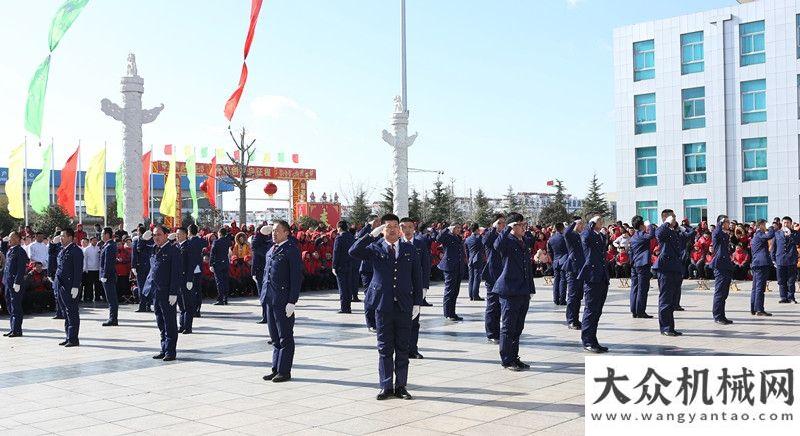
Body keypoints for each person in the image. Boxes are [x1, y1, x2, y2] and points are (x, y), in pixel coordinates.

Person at [349, 214, 422, 399]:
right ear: (382, 230)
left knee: (403, 348)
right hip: (383, 305)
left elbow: (417, 277)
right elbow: (353, 251)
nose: (392, 229)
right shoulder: (375, 247)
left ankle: (401, 386)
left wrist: (417, 303)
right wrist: (370, 235)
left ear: (399, 229)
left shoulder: (409, 249)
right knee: (384, 348)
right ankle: (386, 385)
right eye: (387, 226)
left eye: (395, 226)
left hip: (404, 305)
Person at [260, 220, 303, 383]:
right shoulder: (271, 249)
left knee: (285, 337)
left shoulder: (291, 250)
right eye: (273, 231)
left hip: (284, 300)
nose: (274, 233)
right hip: (270, 298)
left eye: (277, 230)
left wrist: (292, 301)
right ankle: (276, 368)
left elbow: (296, 277)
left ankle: (285, 371)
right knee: (275, 337)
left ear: (286, 233)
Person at [492, 213, 535, 371]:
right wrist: (507, 228)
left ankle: (514, 357)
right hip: (509, 290)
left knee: (518, 327)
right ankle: (507, 359)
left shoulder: (522, 240)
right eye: (521, 224)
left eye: (525, 224)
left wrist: (531, 288)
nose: (524, 227)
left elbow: (527, 267)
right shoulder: (507, 241)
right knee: (508, 327)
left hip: (523, 290)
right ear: (513, 226)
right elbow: (497, 246)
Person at [142, 225, 181, 361]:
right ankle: (164, 348)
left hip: (167, 292)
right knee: (160, 321)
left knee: (169, 322)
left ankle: (171, 351)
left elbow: (176, 273)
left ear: (166, 235)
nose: (156, 237)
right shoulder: (154, 249)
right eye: (154, 235)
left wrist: (173, 292)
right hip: (156, 292)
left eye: (159, 234)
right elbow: (140, 249)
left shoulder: (173, 250)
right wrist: (142, 239)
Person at [577, 215, 610, 353]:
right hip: (591, 277)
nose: (601, 223)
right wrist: (590, 225)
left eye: (602, 221)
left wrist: (602, 235)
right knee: (590, 310)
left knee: (597, 311)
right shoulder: (587, 234)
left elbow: (602, 249)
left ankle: (593, 339)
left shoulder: (598, 236)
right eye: (598, 221)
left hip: (601, 277)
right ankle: (587, 340)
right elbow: (584, 236)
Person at [653, 210, 684, 336]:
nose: (675, 218)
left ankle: (670, 327)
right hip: (665, 269)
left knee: (671, 300)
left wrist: (681, 227)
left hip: (675, 268)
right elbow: (658, 233)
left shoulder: (672, 232)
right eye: (673, 217)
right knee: (665, 300)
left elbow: (688, 235)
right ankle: (665, 327)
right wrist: (666, 223)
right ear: (666, 218)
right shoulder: (663, 230)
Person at [400, 217, 425, 359]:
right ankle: (401, 349)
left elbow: (425, 266)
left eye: (410, 227)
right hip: (399, 289)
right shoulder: (395, 244)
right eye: (404, 227)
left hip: (415, 288)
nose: (407, 230)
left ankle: (412, 349)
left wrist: (424, 287)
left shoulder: (420, 244)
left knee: (414, 321)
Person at [55, 228, 84, 347]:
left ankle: (73, 339)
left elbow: (78, 270)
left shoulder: (76, 251)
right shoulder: (63, 250)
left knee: (72, 312)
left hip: (70, 285)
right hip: (61, 285)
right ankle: (68, 336)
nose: (60, 238)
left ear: (70, 238)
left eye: (63, 236)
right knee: (65, 312)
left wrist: (76, 286)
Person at [481, 214, 505, 344]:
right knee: (492, 305)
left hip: (503, 275)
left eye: (503, 223)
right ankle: (491, 333)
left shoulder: (504, 235)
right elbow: (485, 242)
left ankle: (498, 331)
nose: (502, 225)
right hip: (492, 275)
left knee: (501, 306)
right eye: (499, 223)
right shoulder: (489, 235)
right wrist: (493, 229)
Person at [3, 232, 29, 337]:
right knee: (9, 305)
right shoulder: (10, 250)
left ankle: (17, 330)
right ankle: (13, 328)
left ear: (18, 239)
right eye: (9, 238)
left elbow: (21, 268)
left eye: (12, 238)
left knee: (16, 306)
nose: (10, 240)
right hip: (8, 282)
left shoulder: (20, 251)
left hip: (15, 283)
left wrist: (17, 282)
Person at [436, 223, 464, 321]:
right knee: (449, 291)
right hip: (449, 267)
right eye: (456, 227)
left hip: (458, 267)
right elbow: (438, 238)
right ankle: (447, 313)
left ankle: (453, 313)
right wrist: (446, 229)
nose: (458, 229)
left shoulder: (458, 237)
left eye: (459, 228)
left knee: (455, 291)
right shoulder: (447, 236)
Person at [629, 216, 655, 318]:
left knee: (634, 288)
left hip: (634, 264)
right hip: (642, 264)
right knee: (642, 288)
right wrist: (649, 225)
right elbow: (651, 235)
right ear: (641, 226)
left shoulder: (633, 236)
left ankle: (634, 310)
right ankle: (640, 311)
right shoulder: (641, 234)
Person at [750, 220, 776, 316]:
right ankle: (759, 309)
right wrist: (771, 227)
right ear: (760, 225)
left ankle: (754, 308)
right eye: (764, 225)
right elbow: (770, 235)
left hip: (757, 263)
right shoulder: (759, 234)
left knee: (755, 288)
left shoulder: (755, 235)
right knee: (760, 288)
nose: (765, 226)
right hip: (761, 264)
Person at [563, 217, 586, 330]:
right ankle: (571, 320)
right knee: (572, 296)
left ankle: (576, 319)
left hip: (581, 269)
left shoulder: (581, 235)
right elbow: (566, 232)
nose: (582, 226)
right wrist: (573, 223)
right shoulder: (571, 235)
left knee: (578, 296)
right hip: (573, 269)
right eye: (580, 224)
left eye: (583, 224)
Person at [773, 216, 800, 304]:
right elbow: (774, 247)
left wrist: (790, 235)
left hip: (791, 259)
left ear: (791, 223)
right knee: (781, 280)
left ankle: (791, 297)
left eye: (787, 222)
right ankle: (783, 297)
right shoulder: (777, 233)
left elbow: (797, 242)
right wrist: (773, 259)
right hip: (780, 259)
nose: (786, 224)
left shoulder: (795, 233)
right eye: (784, 222)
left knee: (791, 280)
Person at [175, 228, 197, 334]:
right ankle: (182, 325)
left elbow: (191, 264)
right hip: (178, 279)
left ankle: (188, 327)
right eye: (176, 234)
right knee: (181, 304)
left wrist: (189, 279)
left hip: (185, 279)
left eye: (179, 234)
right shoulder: (177, 246)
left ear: (185, 235)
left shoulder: (189, 246)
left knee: (187, 304)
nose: (177, 236)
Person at [252, 224, 274, 323]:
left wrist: (253, 272)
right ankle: (268, 316)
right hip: (267, 271)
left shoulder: (259, 244)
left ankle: (266, 316)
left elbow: (255, 256)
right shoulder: (270, 242)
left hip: (261, 271)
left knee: (263, 294)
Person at [332, 220, 355, 314]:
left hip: (341, 266)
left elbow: (336, 252)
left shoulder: (339, 238)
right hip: (350, 265)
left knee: (342, 288)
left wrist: (334, 266)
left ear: (339, 228)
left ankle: (344, 308)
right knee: (349, 287)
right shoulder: (351, 237)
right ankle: (348, 307)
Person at [99, 227, 119, 326]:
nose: (101, 235)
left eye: (103, 233)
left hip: (109, 276)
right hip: (107, 275)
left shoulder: (110, 246)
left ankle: (113, 319)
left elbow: (108, 262)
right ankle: (113, 318)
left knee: (112, 299)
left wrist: (105, 275)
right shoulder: (107, 245)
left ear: (107, 235)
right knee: (110, 298)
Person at [132, 227, 154, 312]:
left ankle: (145, 305)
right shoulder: (138, 240)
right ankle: (145, 305)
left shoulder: (148, 240)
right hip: (143, 266)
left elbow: (135, 254)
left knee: (145, 286)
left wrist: (133, 266)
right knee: (143, 286)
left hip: (144, 266)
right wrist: (133, 266)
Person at [547, 223, 568, 305]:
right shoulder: (565, 238)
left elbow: (550, 251)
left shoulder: (551, 239)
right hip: (564, 260)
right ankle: (562, 299)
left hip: (555, 260)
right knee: (563, 280)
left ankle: (556, 299)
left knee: (556, 280)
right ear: (563, 228)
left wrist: (553, 260)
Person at [413, 224, 434, 307]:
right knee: (424, 281)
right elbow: (434, 239)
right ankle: (421, 299)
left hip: (421, 261)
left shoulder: (417, 236)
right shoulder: (424, 237)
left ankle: (423, 299)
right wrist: (432, 231)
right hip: (424, 261)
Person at [211, 227, 233, 305]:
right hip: (226, 263)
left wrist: (211, 264)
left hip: (218, 263)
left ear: (219, 234)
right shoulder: (227, 241)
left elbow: (212, 254)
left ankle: (220, 299)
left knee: (219, 282)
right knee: (225, 281)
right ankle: (225, 298)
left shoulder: (216, 242)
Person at [187, 224, 205, 317]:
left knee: (191, 290)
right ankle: (198, 309)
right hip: (198, 267)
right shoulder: (201, 240)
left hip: (190, 267)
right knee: (198, 289)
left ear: (189, 231)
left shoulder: (188, 242)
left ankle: (193, 309)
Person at [464, 224, 485, 301]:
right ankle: (475, 295)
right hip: (477, 259)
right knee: (477, 278)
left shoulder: (467, 239)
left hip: (470, 259)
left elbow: (466, 250)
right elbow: (483, 248)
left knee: (471, 278)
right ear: (477, 229)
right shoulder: (479, 238)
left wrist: (468, 259)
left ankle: (471, 295)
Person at [48, 235, 64, 319]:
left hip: (60, 273)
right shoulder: (54, 249)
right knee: (56, 294)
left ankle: (62, 312)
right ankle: (59, 312)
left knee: (61, 294)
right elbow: (50, 254)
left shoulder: (61, 248)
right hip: (54, 273)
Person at [82, 237, 102, 302]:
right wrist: (85, 268)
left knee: (97, 284)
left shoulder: (98, 248)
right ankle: (89, 298)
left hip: (97, 269)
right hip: (89, 269)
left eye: (96, 240)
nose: (95, 242)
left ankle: (97, 297)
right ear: (90, 241)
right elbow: (84, 259)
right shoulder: (86, 249)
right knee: (89, 285)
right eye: (93, 241)